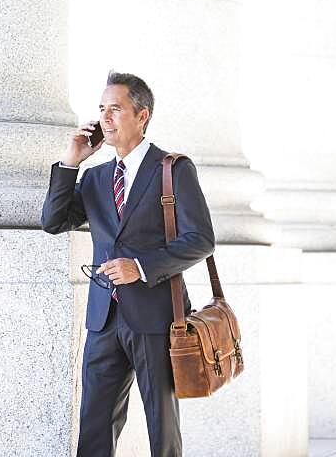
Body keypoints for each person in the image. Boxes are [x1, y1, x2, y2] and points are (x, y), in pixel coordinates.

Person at [41, 71, 215, 457]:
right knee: (95, 423)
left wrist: (141, 266)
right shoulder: (96, 177)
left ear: (142, 115)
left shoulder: (172, 169)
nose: (106, 117)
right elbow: (53, 222)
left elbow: (201, 239)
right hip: (103, 316)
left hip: (156, 316)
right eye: (102, 109)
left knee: (161, 425)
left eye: (116, 108)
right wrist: (71, 162)